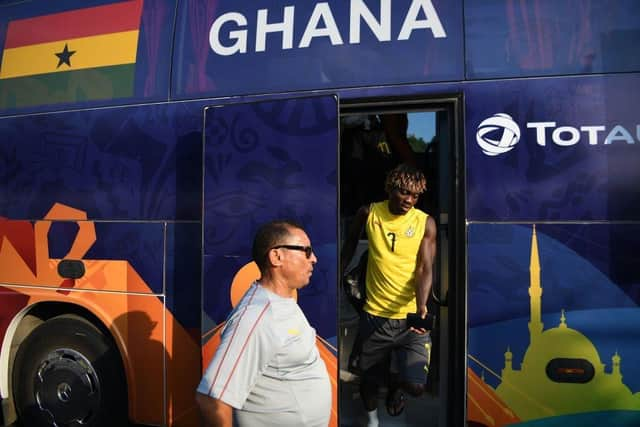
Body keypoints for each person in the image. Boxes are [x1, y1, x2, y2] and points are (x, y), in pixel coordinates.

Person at [196, 220, 331, 427]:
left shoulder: (281, 302)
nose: (314, 258)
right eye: (306, 251)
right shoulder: (256, 317)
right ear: (277, 256)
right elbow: (211, 398)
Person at [341, 163, 437, 427]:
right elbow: (350, 244)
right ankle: (372, 420)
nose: (409, 200)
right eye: (404, 193)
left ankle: (397, 388)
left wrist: (422, 305)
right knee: (368, 380)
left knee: (416, 386)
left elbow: (425, 267)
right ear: (390, 189)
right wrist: (338, 273)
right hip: (374, 314)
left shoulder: (425, 222)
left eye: (415, 196)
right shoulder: (369, 213)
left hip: (410, 317)